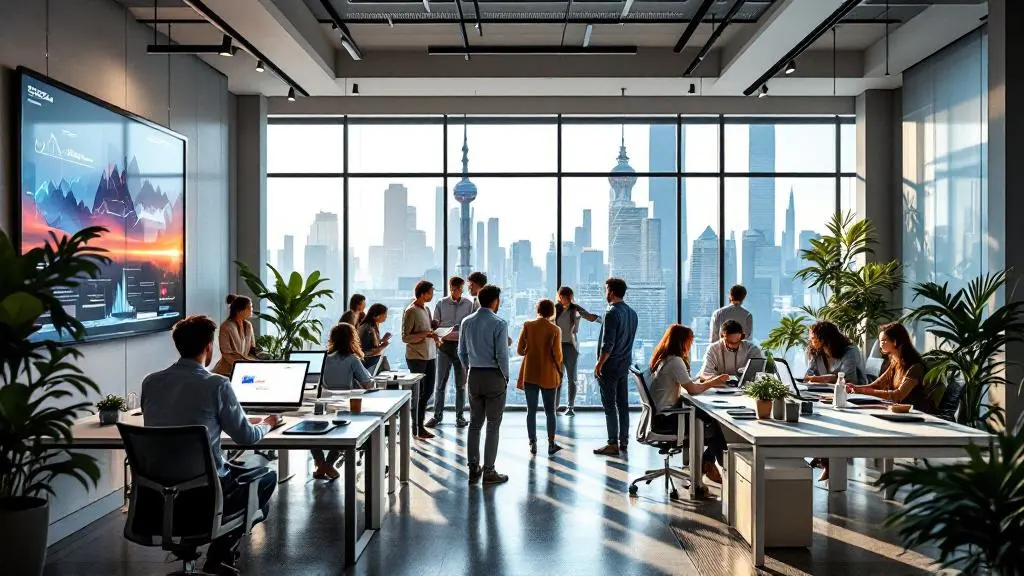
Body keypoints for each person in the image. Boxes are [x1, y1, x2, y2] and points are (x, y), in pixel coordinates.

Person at [141, 315, 278, 575]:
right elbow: (247, 437)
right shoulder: (217, 384)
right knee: (266, 477)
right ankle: (218, 555)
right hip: (206, 493)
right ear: (208, 347)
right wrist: (268, 423)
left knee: (232, 467)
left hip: (160, 494)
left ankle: (208, 553)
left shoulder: (151, 381)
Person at [649, 324, 727, 486]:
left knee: (712, 420)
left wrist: (702, 381)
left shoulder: (665, 358)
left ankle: (709, 462)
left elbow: (687, 385)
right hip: (668, 419)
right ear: (683, 341)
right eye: (690, 341)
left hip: (662, 416)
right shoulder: (676, 361)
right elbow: (692, 390)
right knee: (717, 425)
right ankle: (721, 466)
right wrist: (714, 382)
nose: (690, 345)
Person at [458, 284, 511, 485]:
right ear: (495, 300)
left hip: (474, 375)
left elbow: (461, 352)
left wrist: (468, 369)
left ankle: (473, 468)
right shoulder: (499, 323)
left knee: (474, 424)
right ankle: (489, 471)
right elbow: (502, 355)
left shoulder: (466, 321)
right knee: (493, 426)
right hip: (494, 376)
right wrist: (505, 377)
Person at [314, 323, 373, 480]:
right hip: (344, 406)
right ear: (352, 339)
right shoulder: (352, 359)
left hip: (323, 405)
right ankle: (327, 465)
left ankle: (321, 465)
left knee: (312, 434)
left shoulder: (323, 357)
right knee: (344, 432)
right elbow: (368, 383)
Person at [593, 277, 639, 456]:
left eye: (606, 290)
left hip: (610, 366)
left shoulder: (611, 312)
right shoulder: (632, 313)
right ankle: (624, 441)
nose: (605, 293)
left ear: (611, 291)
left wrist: (599, 363)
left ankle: (612, 443)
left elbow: (608, 343)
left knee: (609, 406)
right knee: (623, 405)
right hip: (623, 365)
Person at [852, 322, 940, 412]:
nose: (880, 344)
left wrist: (864, 391)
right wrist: (855, 388)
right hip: (901, 410)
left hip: (918, 413)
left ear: (894, 341)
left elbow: (897, 396)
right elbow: (877, 385)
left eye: (884, 340)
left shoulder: (915, 367)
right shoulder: (895, 362)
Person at [517, 299, 564, 456]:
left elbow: (519, 350)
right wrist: (560, 371)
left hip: (530, 372)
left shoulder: (528, 325)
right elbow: (557, 355)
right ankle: (551, 444)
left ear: (537, 309)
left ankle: (533, 443)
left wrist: (530, 352)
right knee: (550, 411)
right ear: (552, 312)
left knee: (531, 411)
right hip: (549, 374)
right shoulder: (555, 330)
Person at [426, 276, 474, 428]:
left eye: (458, 289)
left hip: (461, 348)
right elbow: (435, 325)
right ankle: (437, 416)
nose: (455, 292)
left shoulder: (469, 304)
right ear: (449, 288)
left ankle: (460, 417)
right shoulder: (441, 303)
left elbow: (470, 326)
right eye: (452, 289)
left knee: (461, 385)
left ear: (462, 289)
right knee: (440, 384)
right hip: (445, 347)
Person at [402, 280, 443, 439]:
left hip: (430, 354)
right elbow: (406, 337)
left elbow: (427, 331)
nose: (432, 295)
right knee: (419, 394)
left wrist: (434, 335)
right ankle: (417, 427)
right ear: (423, 293)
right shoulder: (411, 311)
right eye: (431, 292)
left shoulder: (426, 309)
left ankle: (418, 426)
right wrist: (425, 335)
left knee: (428, 392)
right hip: (417, 357)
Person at [554, 286, 600, 416]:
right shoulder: (555, 309)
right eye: (562, 297)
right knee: (557, 377)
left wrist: (603, 320)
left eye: (567, 297)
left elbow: (590, 317)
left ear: (570, 297)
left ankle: (570, 407)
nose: (565, 299)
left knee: (572, 378)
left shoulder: (576, 309)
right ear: (559, 296)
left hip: (571, 346)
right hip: (557, 347)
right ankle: (555, 406)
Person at [803, 321, 867, 385]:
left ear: (823, 339)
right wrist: (832, 378)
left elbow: (849, 380)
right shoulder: (817, 352)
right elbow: (808, 377)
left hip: (854, 392)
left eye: (813, 338)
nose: (810, 340)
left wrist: (819, 379)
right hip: (826, 391)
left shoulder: (849, 351)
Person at [699, 320, 763, 381]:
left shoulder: (752, 348)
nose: (732, 346)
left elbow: (759, 373)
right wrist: (718, 379)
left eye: (737, 342)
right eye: (728, 342)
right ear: (722, 336)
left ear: (742, 337)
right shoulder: (713, 349)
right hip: (720, 387)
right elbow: (704, 374)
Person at [212, 294, 256, 377]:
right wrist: (243, 364)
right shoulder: (225, 326)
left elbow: (252, 349)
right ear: (240, 310)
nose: (252, 310)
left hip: (244, 370)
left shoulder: (248, 325)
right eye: (250, 307)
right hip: (226, 372)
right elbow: (226, 352)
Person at [358, 303, 391, 371]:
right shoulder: (369, 329)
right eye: (384, 314)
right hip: (368, 362)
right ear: (377, 315)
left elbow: (370, 344)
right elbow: (368, 351)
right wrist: (383, 345)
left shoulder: (369, 325)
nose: (386, 316)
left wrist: (381, 340)